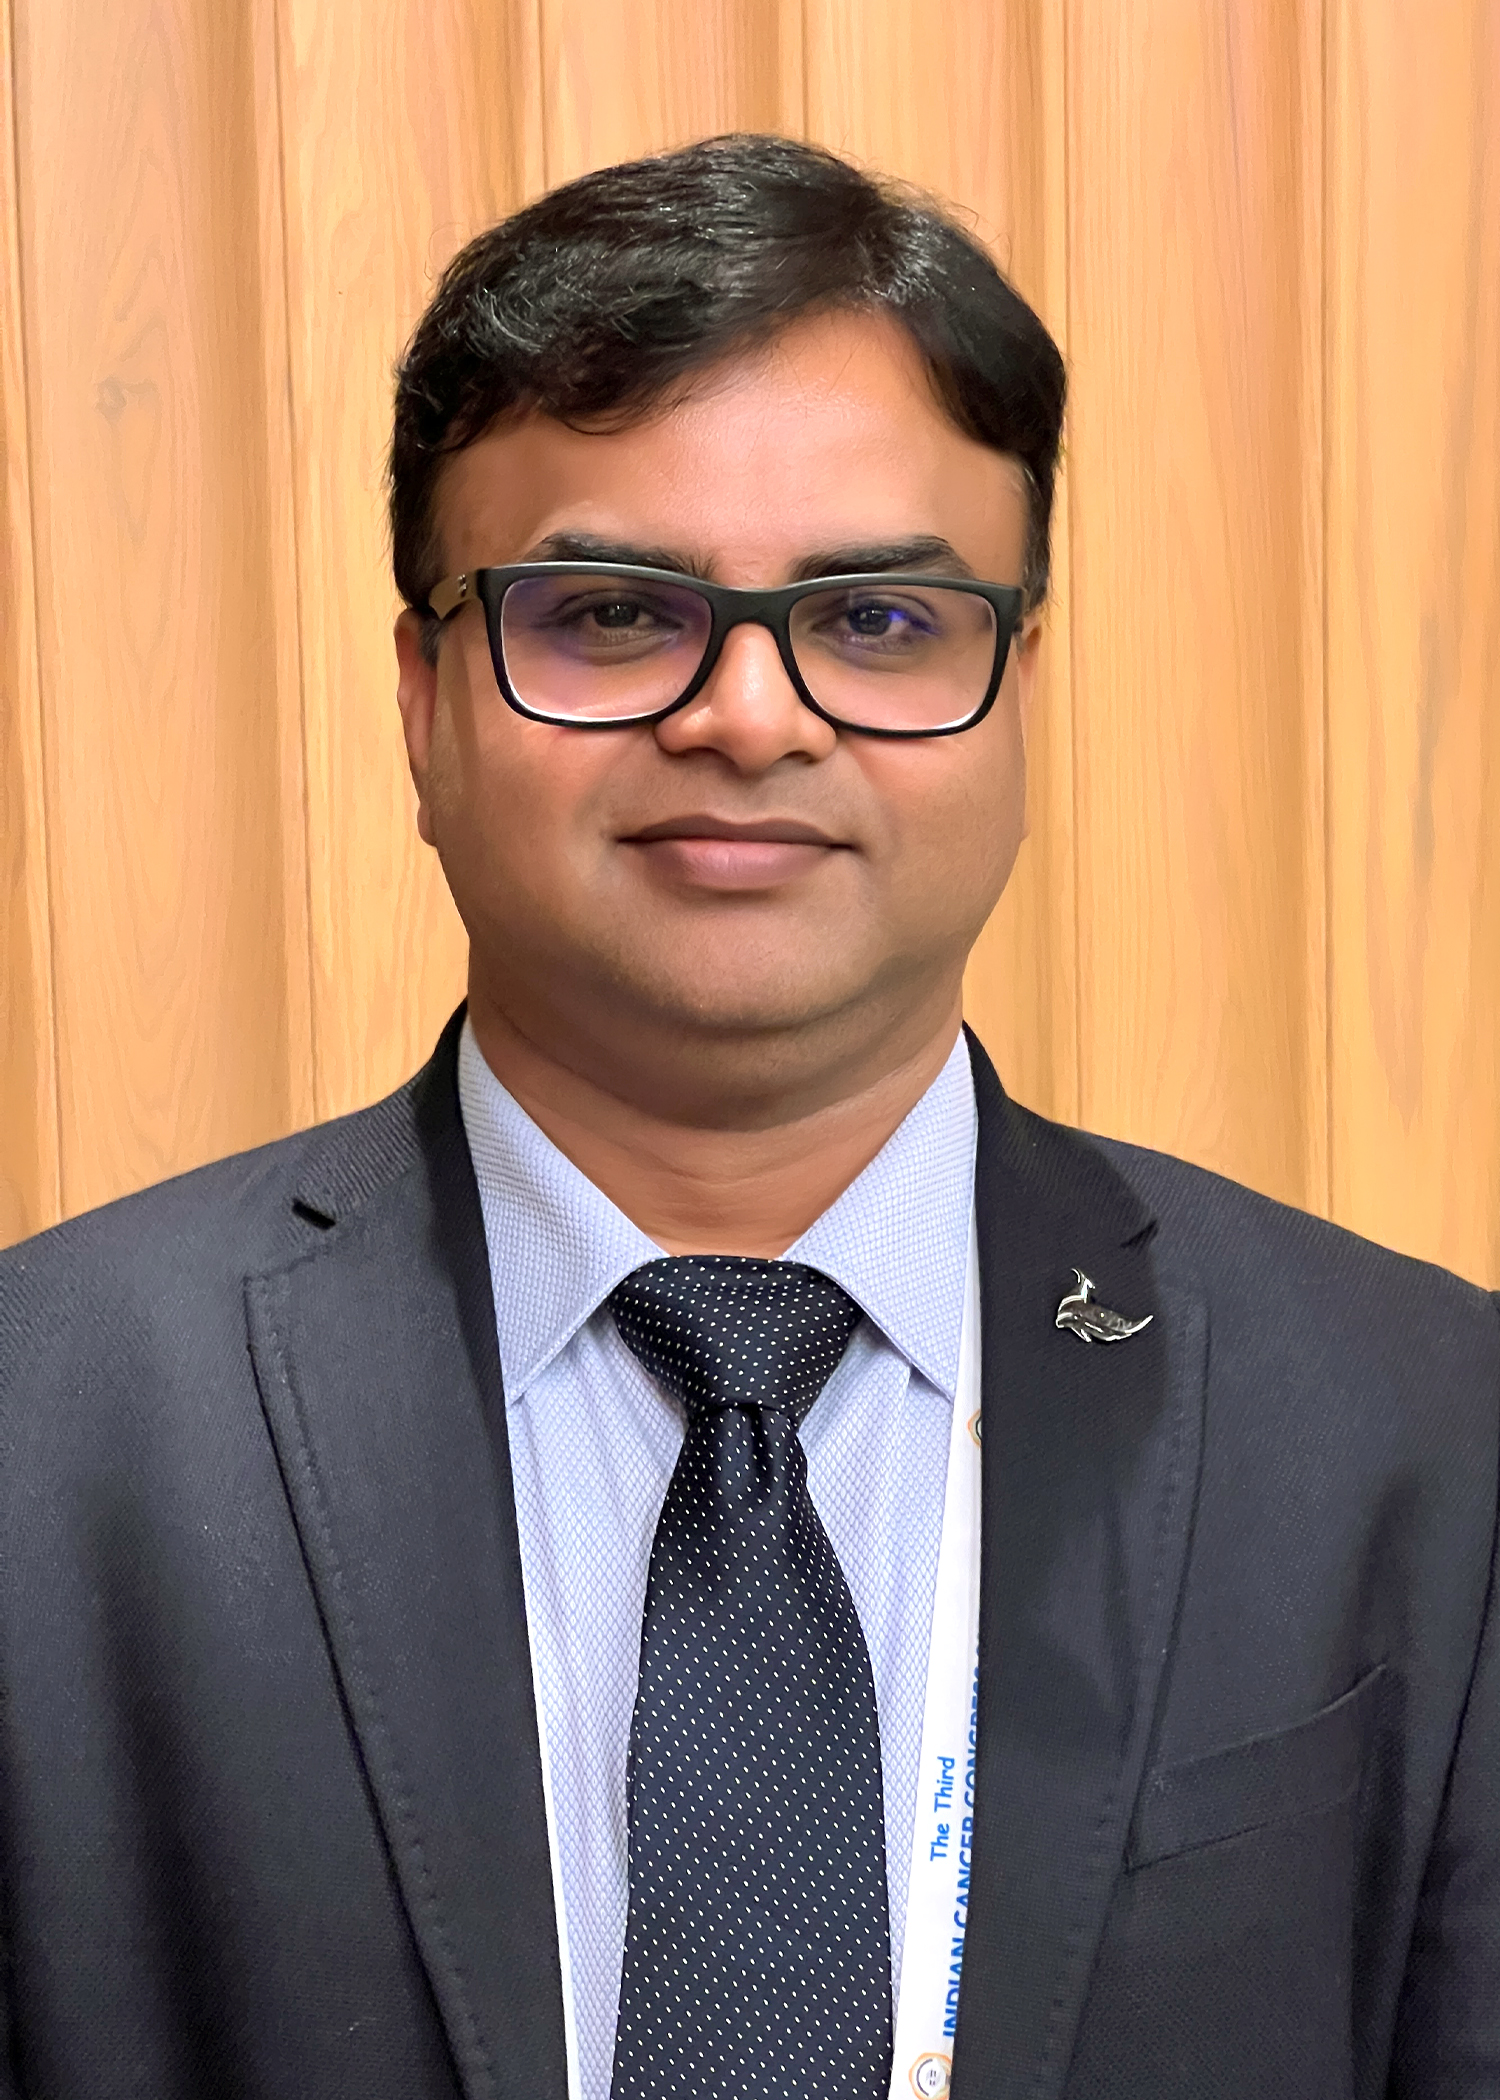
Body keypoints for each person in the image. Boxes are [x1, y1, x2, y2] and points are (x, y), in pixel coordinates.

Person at [0, 132, 1495, 2100]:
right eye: (613, 614)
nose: (751, 717)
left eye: (878, 624)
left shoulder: (1424, 1428)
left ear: (1018, 690)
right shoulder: (47, 1426)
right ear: (425, 703)